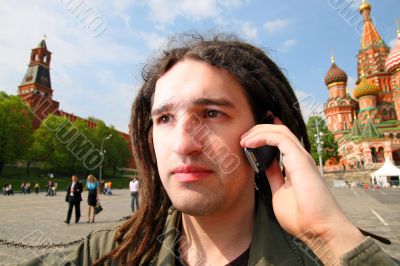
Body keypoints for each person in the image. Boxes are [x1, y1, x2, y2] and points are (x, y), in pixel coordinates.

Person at [22, 35, 398, 265]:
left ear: (266, 134)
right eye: (165, 119)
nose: (184, 144)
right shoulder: (116, 253)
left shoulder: (323, 256)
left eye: (212, 113)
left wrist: (328, 235)